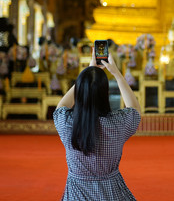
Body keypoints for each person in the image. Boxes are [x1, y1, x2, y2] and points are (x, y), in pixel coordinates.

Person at [53, 48, 141, 200]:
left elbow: (61, 106)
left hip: (76, 194)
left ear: (79, 92)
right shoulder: (117, 123)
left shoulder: (67, 124)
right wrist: (117, 74)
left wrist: (87, 73)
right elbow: (135, 109)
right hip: (112, 193)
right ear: (105, 93)